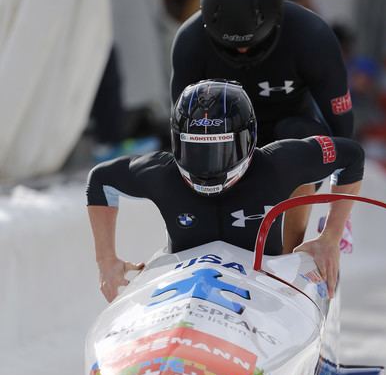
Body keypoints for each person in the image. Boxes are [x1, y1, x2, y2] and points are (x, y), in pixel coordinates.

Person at [87, 80, 364, 303]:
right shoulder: (161, 173)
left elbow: (350, 156)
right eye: (196, 149)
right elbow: (100, 179)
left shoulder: (279, 163)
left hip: (263, 292)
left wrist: (331, 237)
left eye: (221, 149)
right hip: (186, 293)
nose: (208, 166)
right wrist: (106, 261)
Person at [170, 0, 355, 252]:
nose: (242, 51)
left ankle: (288, 250)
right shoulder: (190, 42)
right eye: (232, 45)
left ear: (276, 20)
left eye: (251, 43)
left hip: (290, 134)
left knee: (299, 136)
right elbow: (181, 129)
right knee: (201, 139)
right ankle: (204, 243)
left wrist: (336, 222)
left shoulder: (312, 37)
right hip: (225, 138)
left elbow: (343, 131)